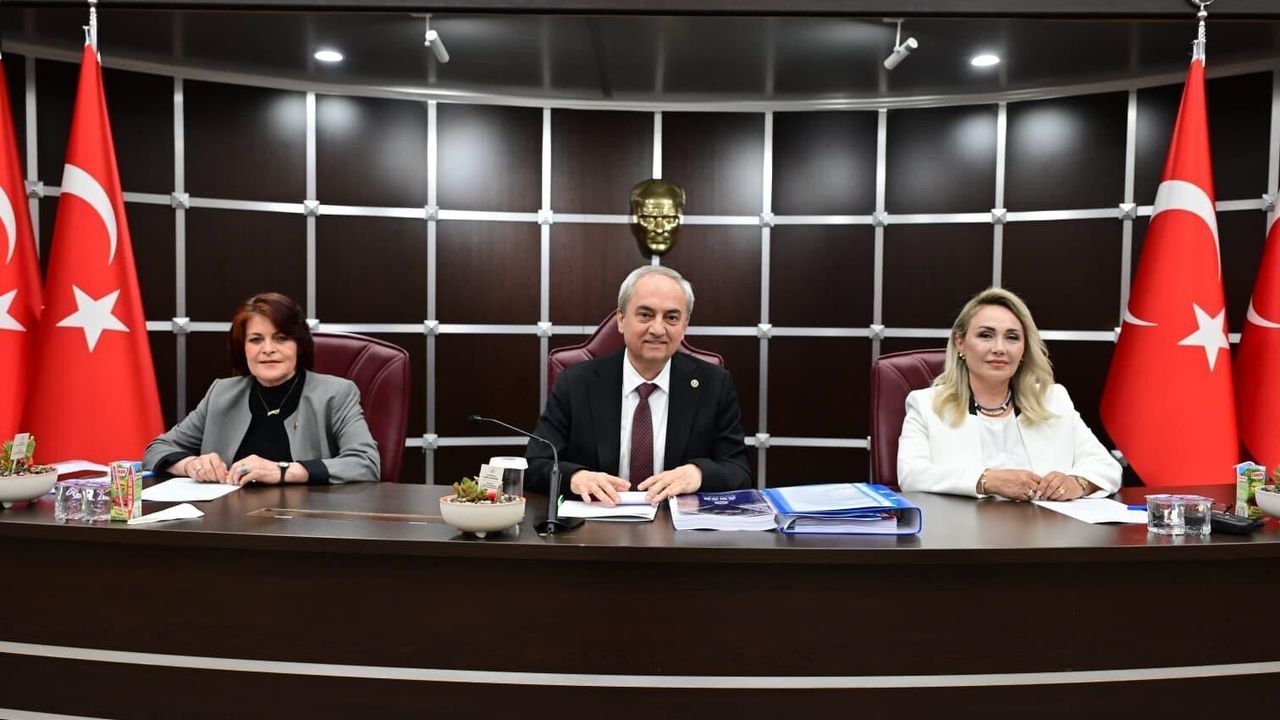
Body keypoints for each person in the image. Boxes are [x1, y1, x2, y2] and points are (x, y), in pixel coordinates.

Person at [526, 265, 752, 505]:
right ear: (621, 320)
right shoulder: (576, 383)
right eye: (645, 315)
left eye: (671, 318)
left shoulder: (714, 384)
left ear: (684, 326)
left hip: (676, 522)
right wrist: (574, 477)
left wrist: (699, 473)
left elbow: (739, 471)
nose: (657, 329)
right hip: (597, 521)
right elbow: (534, 464)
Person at [897, 287, 1121, 501]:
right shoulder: (926, 405)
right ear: (960, 343)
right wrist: (987, 481)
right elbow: (911, 475)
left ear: (1024, 348)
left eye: (1012, 337)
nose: (999, 348)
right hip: (962, 527)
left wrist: (1077, 483)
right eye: (986, 335)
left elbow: (1106, 467)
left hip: (1045, 526)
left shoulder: (1053, 400)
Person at [144, 292, 379, 485]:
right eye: (255, 340)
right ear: (242, 348)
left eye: (281, 338)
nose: (267, 349)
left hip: (306, 520)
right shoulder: (222, 393)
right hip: (228, 519)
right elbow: (157, 449)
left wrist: (284, 471)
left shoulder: (336, 393)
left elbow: (365, 463)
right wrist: (191, 465)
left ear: (299, 346)